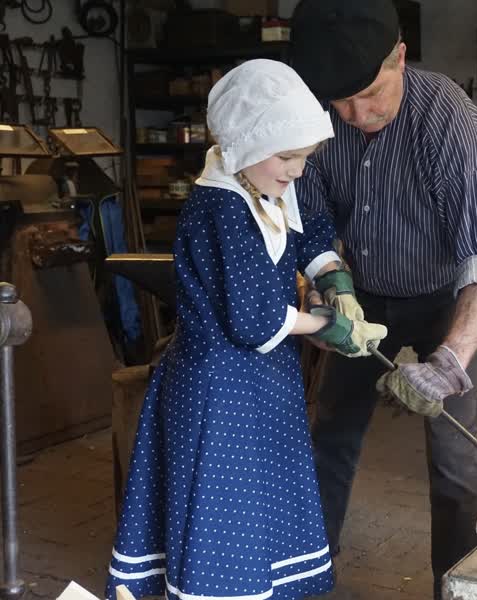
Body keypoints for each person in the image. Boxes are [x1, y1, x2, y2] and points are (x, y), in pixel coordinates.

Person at [104, 59, 387, 600]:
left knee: (261, 509)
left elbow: (308, 234)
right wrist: (331, 328)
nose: (297, 171)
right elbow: (253, 317)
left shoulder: (262, 181)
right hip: (222, 389)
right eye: (288, 157)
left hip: (261, 382)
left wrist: (336, 283)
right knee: (230, 517)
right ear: (246, 142)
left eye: (304, 158)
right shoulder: (222, 206)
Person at [290, 1, 477, 595]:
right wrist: (327, 287)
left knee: (454, 462)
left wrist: (450, 361)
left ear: (400, 57)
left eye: (369, 94)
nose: (355, 115)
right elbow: (308, 222)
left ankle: (457, 589)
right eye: (340, 102)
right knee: (329, 438)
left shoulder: (447, 117)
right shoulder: (320, 115)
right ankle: (305, 578)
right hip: (361, 297)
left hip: (445, 304)